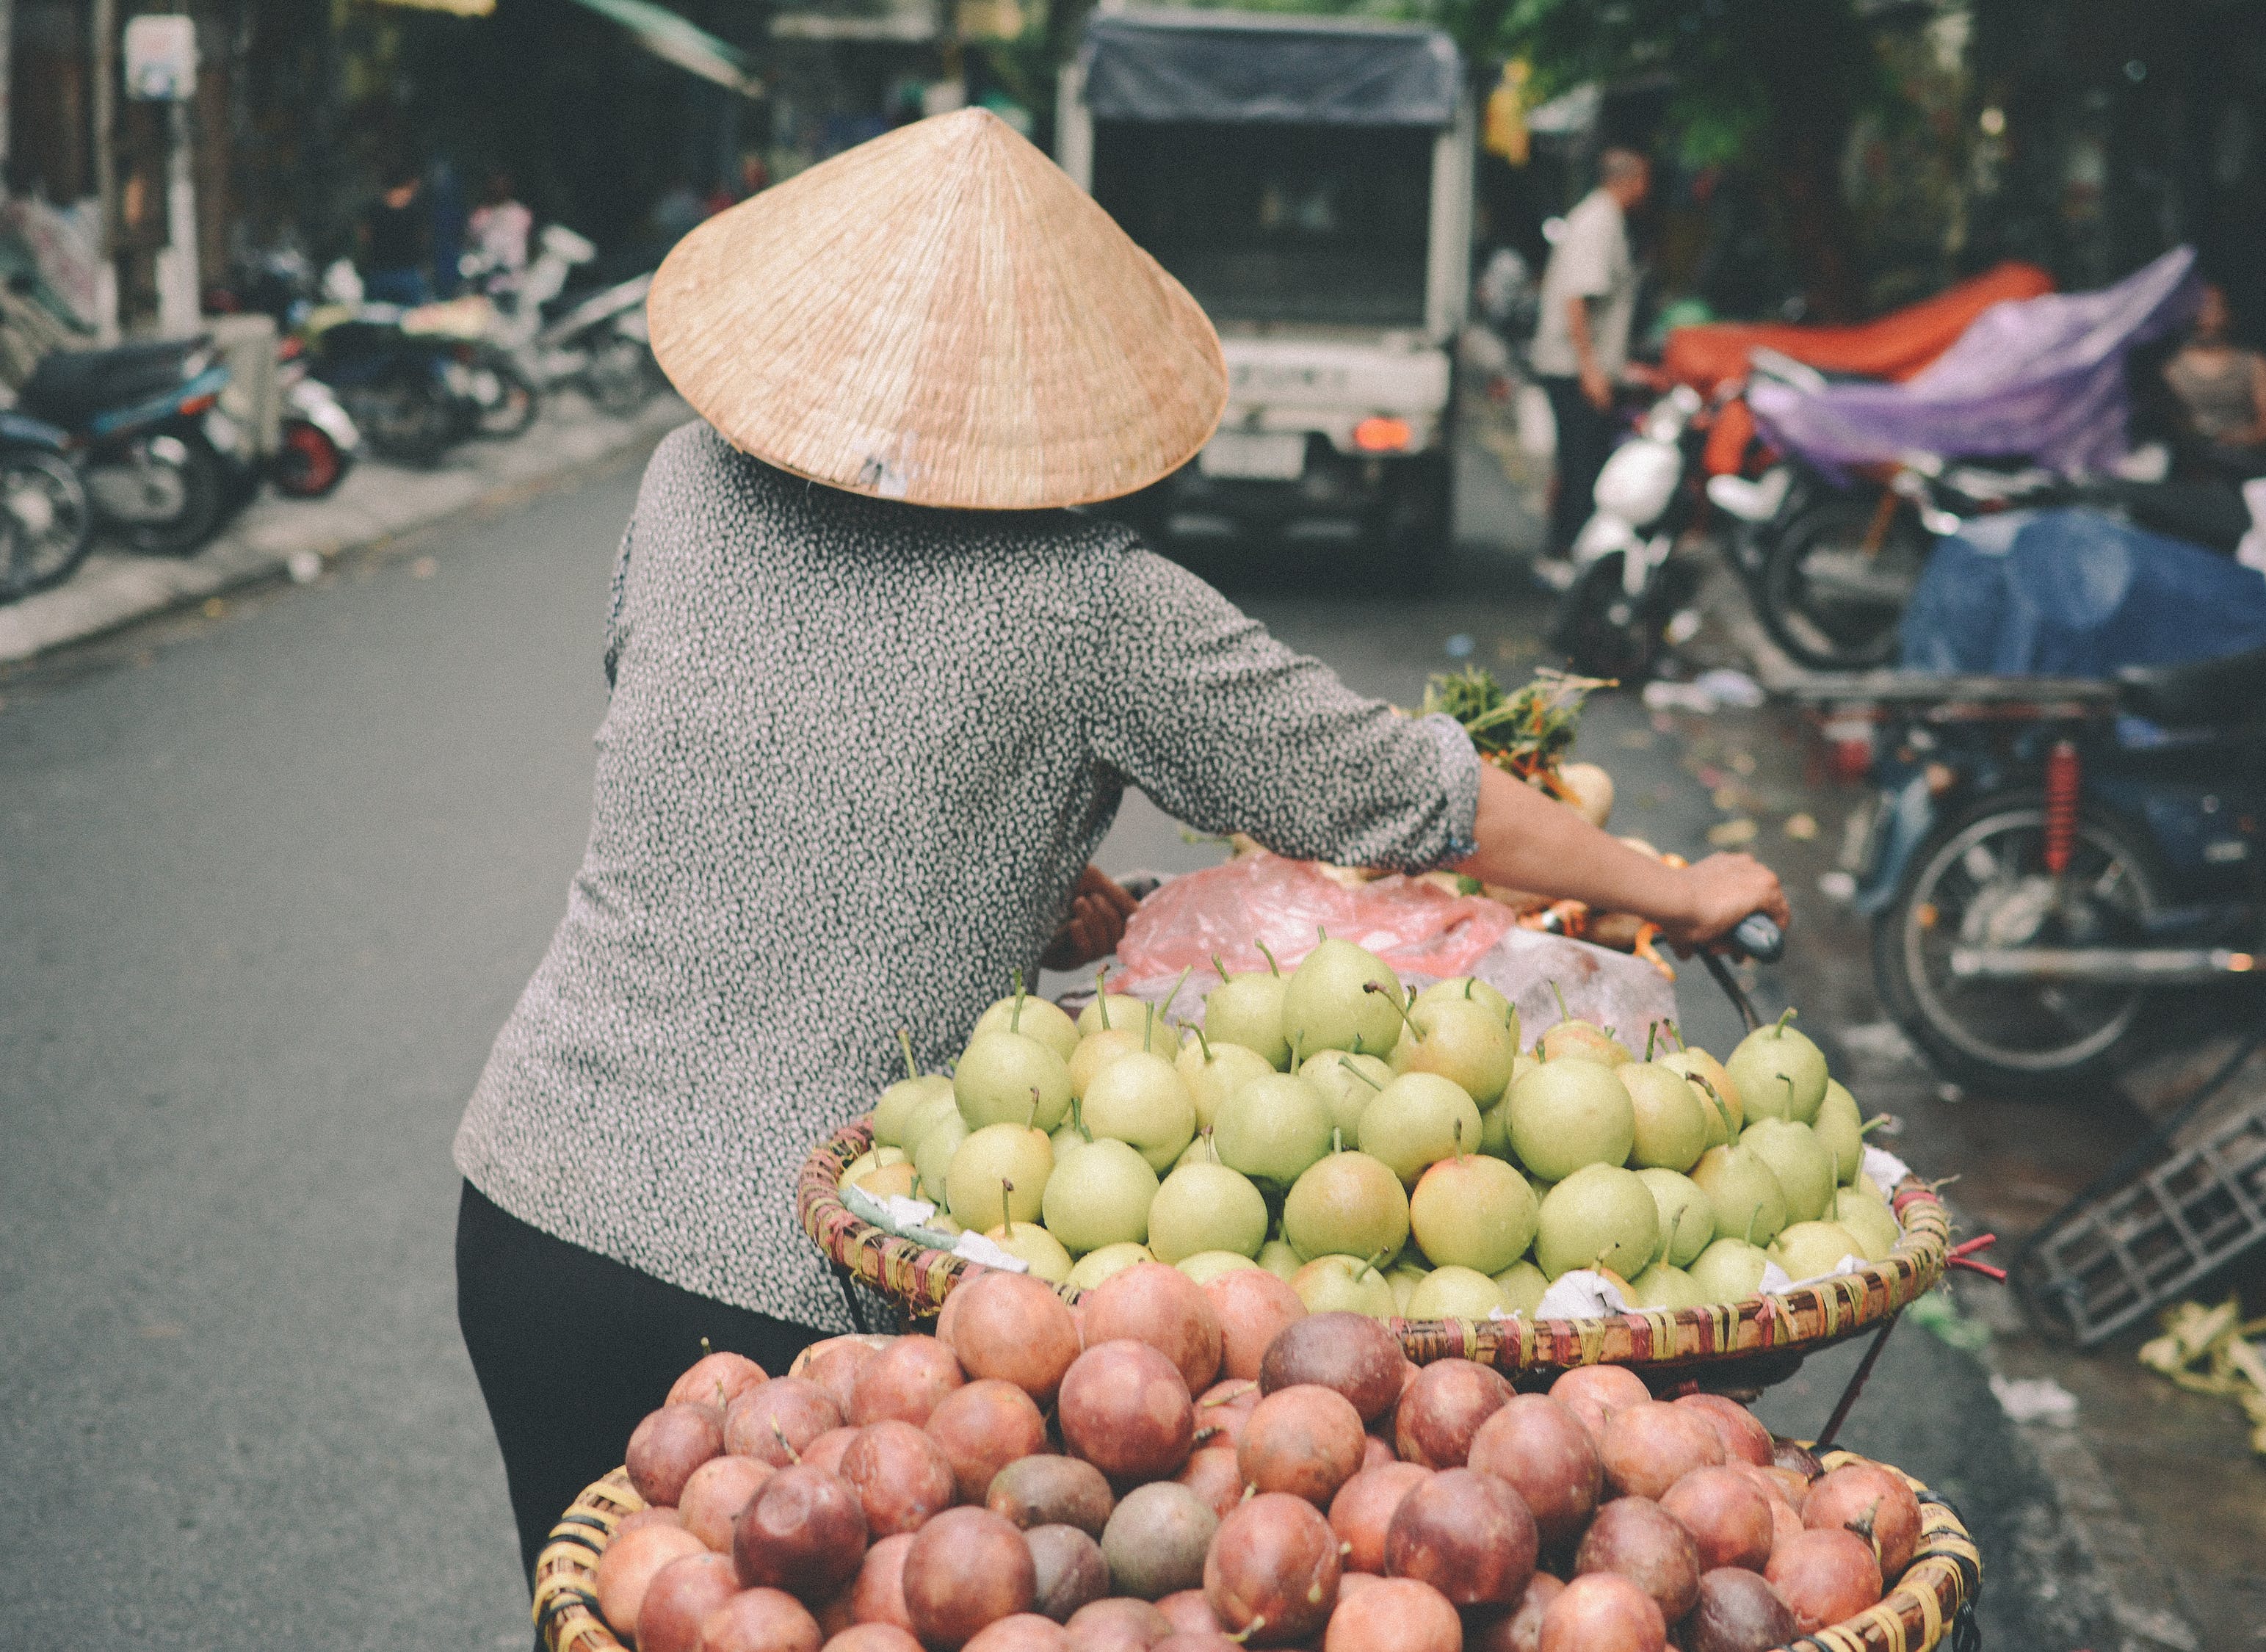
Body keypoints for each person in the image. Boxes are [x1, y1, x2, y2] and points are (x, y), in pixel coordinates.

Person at [449, 109, 1787, 1580]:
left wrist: (999, 890)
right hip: (794, 1282)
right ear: (1051, 389)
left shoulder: (681, 484)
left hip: (530, 1206)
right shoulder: (1089, 600)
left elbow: (722, 776)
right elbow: (1402, 793)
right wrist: (1681, 889)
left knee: (595, 1610)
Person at [1529, 147, 1651, 590]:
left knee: (1578, 463)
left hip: (1579, 366)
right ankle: (1565, 558)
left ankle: (1565, 555)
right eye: (1644, 181)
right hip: (1571, 369)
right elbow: (1576, 300)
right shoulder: (1599, 220)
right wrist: (1592, 370)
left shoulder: (1601, 218)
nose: (1646, 191)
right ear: (1629, 180)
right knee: (1584, 467)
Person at [2163, 283, 2266, 479]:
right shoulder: (2171, 367)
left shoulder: (2254, 364)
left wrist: (2239, 440)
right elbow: (2166, 421)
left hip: (2240, 464)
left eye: (2212, 307)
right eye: (2196, 306)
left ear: (2228, 312)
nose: (2204, 314)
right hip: (2187, 468)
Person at [358, 165, 429, 307]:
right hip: (408, 274)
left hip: (379, 274)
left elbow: (364, 238)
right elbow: (423, 239)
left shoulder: (374, 207)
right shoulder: (416, 209)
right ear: (411, 183)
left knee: (376, 324)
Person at [466, 169, 534, 284]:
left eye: (502, 184)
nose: (498, 188)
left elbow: (529, 244)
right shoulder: (480, 215)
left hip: (516, 278)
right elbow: (471, 244)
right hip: (488, 280)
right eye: (494, 184)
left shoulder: (521, 213)